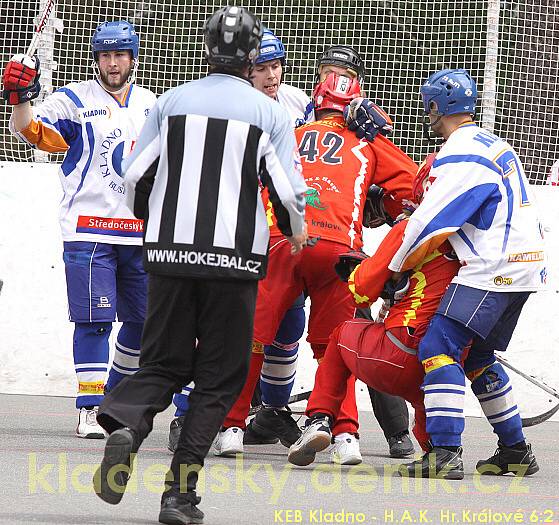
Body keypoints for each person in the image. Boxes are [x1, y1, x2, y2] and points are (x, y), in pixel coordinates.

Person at [92, 6, 307, 524]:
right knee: (219, 378)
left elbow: (134, 172)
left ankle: (127, 421)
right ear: (253, 55)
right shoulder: (269, 113)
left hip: (168, 254)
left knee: (161, 362)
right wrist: (296, 231)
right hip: (234, 260)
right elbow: (287, 192)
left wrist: (150, 216)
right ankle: (179, 494)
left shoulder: (170, 102)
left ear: (205, 48)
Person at [215, 53, 417, 465]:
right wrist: (384, 203)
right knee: (339, 344)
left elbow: (247, 180)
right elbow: (415, 186)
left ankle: (232, 427)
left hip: (283, 240)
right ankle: (344, 435)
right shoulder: (369, 138)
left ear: (316, 95)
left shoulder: (288, 129)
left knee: (250, 338)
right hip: (341, 248)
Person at [2, 21, 156, 438]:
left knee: (144, 324)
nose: (112, 63)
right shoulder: (73, 98)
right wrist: (20, 97)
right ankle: (89, 407)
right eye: (105, 55)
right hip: (88, 230)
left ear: (132, 58)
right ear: (96, 58)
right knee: (93, 322)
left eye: (119, 55)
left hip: (140, 232)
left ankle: (115, 400)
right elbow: (32, 132)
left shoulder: (151, 105)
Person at [388, 68, 544, 478]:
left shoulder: (458, 152)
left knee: (437, 345)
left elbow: (431, 222)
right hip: (524, 266)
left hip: (493, 268)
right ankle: (515, 449)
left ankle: (444, 452)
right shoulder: (494, 143)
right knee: (477, 356)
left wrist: (394, 267)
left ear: (436, 108)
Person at [287, 152, 463, 467]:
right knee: (427, 403)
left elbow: (361, 291)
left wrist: (357, 272)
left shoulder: (412, 226)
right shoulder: (473, 236)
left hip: (402, 350)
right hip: (442, 365)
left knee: (341, 334)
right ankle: (440, 451)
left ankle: (320, 419)